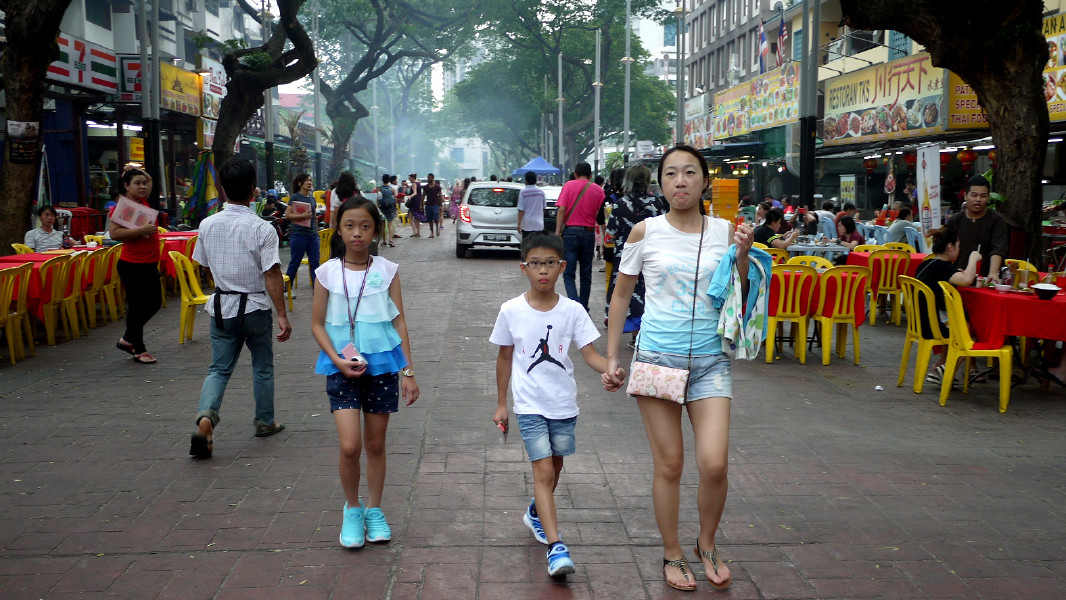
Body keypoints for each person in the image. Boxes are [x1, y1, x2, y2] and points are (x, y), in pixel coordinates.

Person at [603, 145, 755, 592]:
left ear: (706, 180)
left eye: (690, 172)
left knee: (714, 464)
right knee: (669, 465)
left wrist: (744, 254)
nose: (681, 181)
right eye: (671, 174)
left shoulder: (726, 232)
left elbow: (739, 288)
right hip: (656, 361)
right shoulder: (643, 233)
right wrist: (613, 356)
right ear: (661, 183)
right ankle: (672, 552)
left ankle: (705, 543)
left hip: (710, 362)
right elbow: (619, 295)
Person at [490, 232, 624, 577]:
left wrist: (609, 368)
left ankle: (536, 512)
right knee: (544, 471)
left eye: (550, 263)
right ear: (524, 268)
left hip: (564, 405)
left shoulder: (573, 311)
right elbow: (504, 358)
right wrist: (501, 404)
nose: (543, 271)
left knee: (556, 470)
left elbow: (590, 353)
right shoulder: (511, 310)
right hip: (529, 405)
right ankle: (556, 547)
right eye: (535, 264)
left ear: (562, 267)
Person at [310, 196, 419, 549]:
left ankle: (374, 509)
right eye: (349, 226)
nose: (357, 233)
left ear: (376, 230)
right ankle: (352, 509)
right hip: (341, 367)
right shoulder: (326, 273)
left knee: (374, 444)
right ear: (338, 229)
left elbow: (398, 319)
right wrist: (336, 359)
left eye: (365, 226)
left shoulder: (387, 270)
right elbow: (316, 324)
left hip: (383, 367)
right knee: (349, 445)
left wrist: (408, 369)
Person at [188, 159, 293, 458]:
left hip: (222, 306)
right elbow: (272, 274)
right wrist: (282, 315)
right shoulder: (262, 228)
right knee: (262, 367)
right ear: (252, 190)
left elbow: (205, 266)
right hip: (256, 307)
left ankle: (206, 418)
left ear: (222, 188)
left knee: (219, 369)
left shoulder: (207, 225)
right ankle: (264, 421)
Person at [604, 164, 668, 334]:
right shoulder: (657, 203)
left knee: (625, 294)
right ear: (647, 181)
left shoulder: (619, 205)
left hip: (625, 258)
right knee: (649, 292)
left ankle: (633, 332)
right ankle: (643, 333)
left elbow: (610, 234)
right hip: (652, 257)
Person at [915, 227, 980, 387]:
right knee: (973, 334)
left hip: (921, 322)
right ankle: (947, 369)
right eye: (958, 247)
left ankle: (940, 367)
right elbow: (966, 280)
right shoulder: (944, 267)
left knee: (961, 326)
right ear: (950, 247)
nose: (959, 250)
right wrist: (973, 258)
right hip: (935, 325)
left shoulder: (927, 264)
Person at [109, 166, 162, 364]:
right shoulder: (121, 208)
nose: (142, 186)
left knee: (154, 302)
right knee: (137, 306)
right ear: (126, 186)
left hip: (149, 263)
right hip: (132, 265)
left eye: (143, 183)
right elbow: (114, 234)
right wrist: (141, 230)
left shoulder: (142, 202)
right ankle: (138, 349)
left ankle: (128, 338)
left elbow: (150, 182)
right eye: (137, 183)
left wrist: (135, 171)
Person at [554, 162, 606, 311]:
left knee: (568, 273)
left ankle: (574, 307)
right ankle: (582, 308)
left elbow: (562, 210)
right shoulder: (598, 190)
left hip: (570, 232)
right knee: (586, 273)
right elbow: (597, 214)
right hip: (588, 233)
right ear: (590, 175)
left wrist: (558, 232)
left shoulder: (569, 185)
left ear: (575, 174)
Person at [945, 175, 1009, 280]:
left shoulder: (997, 220)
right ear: (965, 195)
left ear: (988, 197)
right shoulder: (955, 220)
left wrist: (993, 273)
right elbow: (946, 249)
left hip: (985, 278)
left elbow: (998, 249)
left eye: (983, 196)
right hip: (959, 276)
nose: (978, 199)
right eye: (974, 195)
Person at [283, 173, 321, 285]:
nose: (310, 183)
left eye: (310, 180)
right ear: (300, 183)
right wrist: (302, 216)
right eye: (307, 180)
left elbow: (314, 217)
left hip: (312, 236)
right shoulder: (295, 197)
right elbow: (287, 215)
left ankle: (317, 289)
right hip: (299, 235)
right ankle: (287, 288)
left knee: (315, 263)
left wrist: (317, 232)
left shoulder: (312, 198)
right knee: (295, 263)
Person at [517, 170, 546, 239]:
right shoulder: (541, 192)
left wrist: (519, 224)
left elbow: (521, 209)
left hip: (527, 224)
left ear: (526, 180)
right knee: (537, 246)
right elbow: (543, 207)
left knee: (527, 245)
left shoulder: (523, 192)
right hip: (538, 224)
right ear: (536, 181)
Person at [377, 174, 398, 247]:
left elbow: (378, 200)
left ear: (382, 180)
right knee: (390, 224)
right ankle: (391, 241)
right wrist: (395, 209)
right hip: (390, 208)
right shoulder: (392, 189)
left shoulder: (379, 189)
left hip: (382, 208)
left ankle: (384, 241)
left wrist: (378, 207)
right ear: (389, 180)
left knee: (383, 225)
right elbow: (395, 200)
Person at [423, 173, 442, 238]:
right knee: (430, 219)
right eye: (428, 177)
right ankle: (432, 233)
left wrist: (441, 205)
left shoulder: (437, 186)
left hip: (435, 204)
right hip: (428, 204)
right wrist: (421, 204)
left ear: (433, 178)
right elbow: (423, 195)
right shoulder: (426, 187)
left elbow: (440, 195)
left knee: (436, 218)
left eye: (429, 177)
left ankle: (437, 228)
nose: (428, 179)